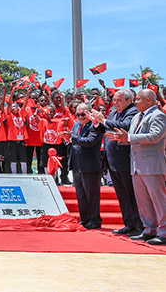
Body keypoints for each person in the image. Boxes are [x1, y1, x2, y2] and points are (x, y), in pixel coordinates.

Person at [107, 89, 166, 245]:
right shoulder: (137, 117)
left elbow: (155, 136)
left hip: (152, 165)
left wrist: (129, 137)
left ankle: (164, 232)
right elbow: (132, 138)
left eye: (138, 99)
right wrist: (122, 138)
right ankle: (149, 229)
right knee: (143, 201)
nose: (135, 102)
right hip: (136, 164)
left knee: (158, 200)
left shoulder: (158, 115)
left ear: (148, 100)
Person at [94, 89, 142, 236]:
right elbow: (107, 128)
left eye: (119, 100)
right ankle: (128, 224)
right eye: (114, 100)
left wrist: (103, 120)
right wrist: (97, 123)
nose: (115, 103)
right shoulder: (114, 113)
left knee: (131, 195)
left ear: (129, 101)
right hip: (113, 160)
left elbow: (124, 126)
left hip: (125, 160)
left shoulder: (133, 112)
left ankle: (138, 226)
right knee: (122, 195)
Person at [60, 102, 105, 229]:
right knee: (81, 195)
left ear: (89, 113)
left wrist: (72, 138)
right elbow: (73, 140)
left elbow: (90, 141)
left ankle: (94, 220)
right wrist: (67, 138)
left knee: (92, 195)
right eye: (78, 114)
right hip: (77, 165)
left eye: (83, 114)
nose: (80, 117)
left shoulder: (95, 126)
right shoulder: (76, 125)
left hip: (90, 166)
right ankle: (84, 218)